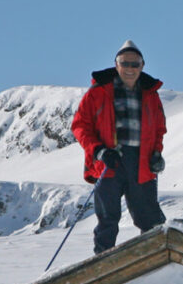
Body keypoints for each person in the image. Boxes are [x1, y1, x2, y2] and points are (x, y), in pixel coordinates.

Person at [71, 40, 167, 253]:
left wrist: (157, 153)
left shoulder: (151, 94)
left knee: (149, 217)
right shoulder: (97, 92)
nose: (130, 69)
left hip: (141, 162)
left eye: (135, 64)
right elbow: (79, 126)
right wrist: (99, 151)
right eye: (125, 64)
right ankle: (103, 263)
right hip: (108, 161)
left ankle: (155, 260)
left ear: (142, 66)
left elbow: (159, 128)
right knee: (107, 218)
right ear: (116, 65)